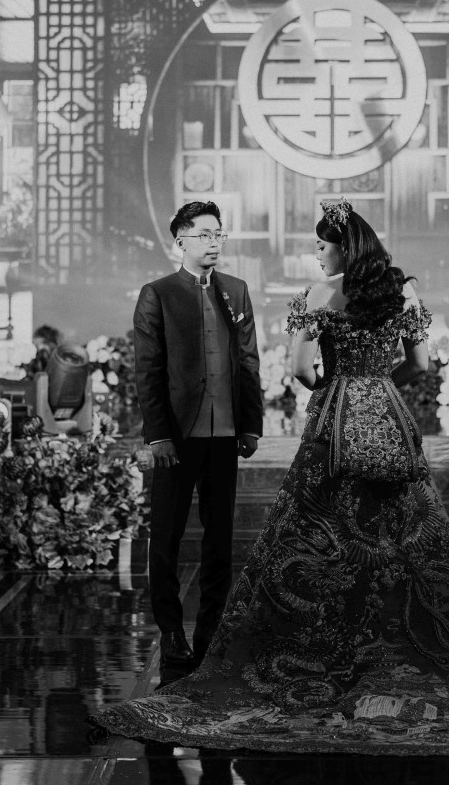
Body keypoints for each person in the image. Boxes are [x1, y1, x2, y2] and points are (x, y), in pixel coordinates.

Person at [92, 199, 449, 755]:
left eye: (321, 246)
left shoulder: (317, 295)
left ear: (340, 247)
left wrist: (336, 386)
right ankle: (406, 641)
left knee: (314, 536)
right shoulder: (402, 290)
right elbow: (421, 365)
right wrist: (378, 385)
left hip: (332, 420)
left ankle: (308, 643)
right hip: (388, 415)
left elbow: (298, 369)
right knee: (408, 537)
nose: (317, 254)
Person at [133, 200, 263, 674]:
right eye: (205, 234)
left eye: (218, 234)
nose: (214, 243)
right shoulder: (158, 294)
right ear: (181, 240)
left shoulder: (236, 290)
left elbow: (248, 360)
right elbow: (148, 371)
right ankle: (171, 630)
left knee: (219, 537)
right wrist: (158, 436)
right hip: (177, 435)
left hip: (225, 432)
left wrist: (251, 424)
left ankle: (211, 630)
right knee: (166, 535)